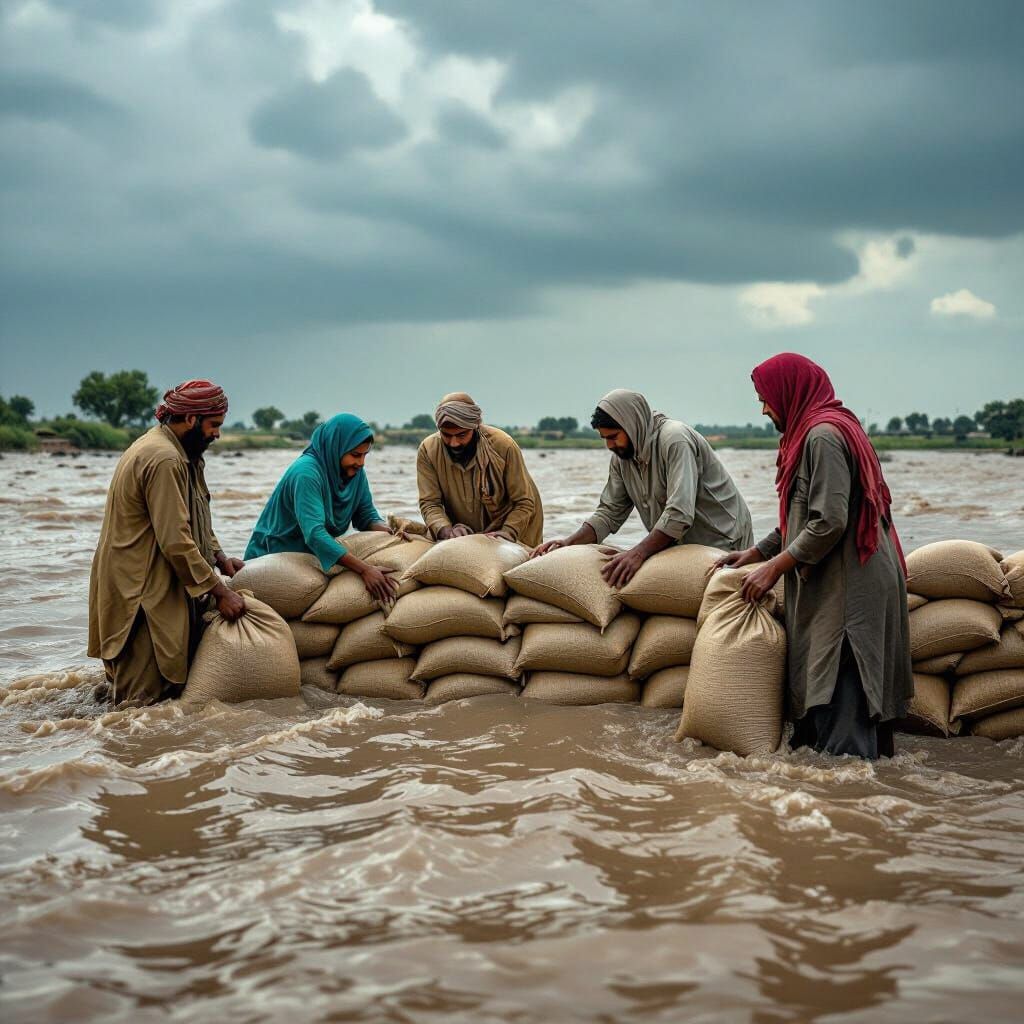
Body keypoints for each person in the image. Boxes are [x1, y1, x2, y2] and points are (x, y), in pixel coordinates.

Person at [716, 352, 913, 759]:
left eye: (765, 398)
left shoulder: (822, 436)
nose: (764, 409)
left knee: (844, 697)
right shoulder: (812, 433)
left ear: (790, 391)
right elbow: (801, 517)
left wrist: (773, 569)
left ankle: (850, 799)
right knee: (828, 701)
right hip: (845, 579)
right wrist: (757, 551)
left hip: (851, 586)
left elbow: (829, 522)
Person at [88, 379, 247, 707]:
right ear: (192, 419)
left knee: (156, 697)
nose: (217, 433)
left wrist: (218, 555)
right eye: (214, 425)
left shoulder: (184, 454)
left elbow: (195, 513)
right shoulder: (164, 459)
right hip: (141, 592)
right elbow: (175, 541)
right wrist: (221, 592)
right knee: (138, 705)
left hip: (157, 582)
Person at [532, 389, 753, 587]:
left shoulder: (675, 440)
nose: (609, 445)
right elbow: (609, 512)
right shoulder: (622, 459)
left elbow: (679, 513)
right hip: (680, 548)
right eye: (604, 438)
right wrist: (568, 543)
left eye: (613, 437)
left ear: (631, 425)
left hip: (724, 542)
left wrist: (638, 554)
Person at [245, 414, 396, 603]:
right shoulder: (307, 473)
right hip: (273, 559)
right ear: (336, 448)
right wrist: (365, 569)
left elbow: (366, 515)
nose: (361, 462)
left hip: (311, 558)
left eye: (365, 455)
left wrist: (390, 532)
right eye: (355, 455)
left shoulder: (355, 473)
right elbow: (315, 534)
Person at [416, 392, 544, 546]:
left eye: (462, 435)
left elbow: (524, 502)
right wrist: (446, 531)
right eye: (446, 435)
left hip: (513, 531)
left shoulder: (503, 446)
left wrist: (507, 533)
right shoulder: (428, 450)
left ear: (475, 426)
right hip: (463, 535)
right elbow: (430, 503)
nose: (454, 443)